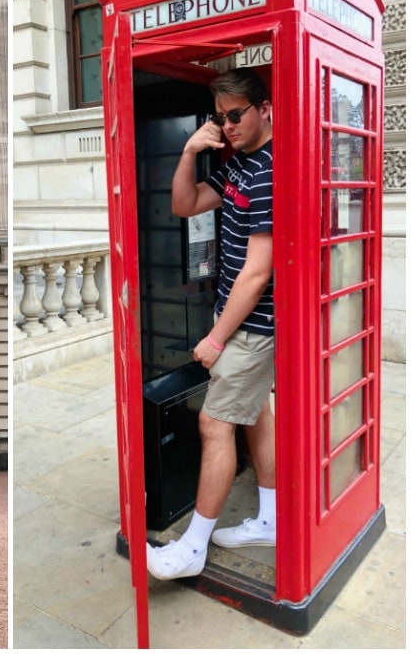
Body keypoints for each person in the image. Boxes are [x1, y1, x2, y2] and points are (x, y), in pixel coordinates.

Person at [147, 67, 276, 580]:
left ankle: (192, 547)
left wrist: (217, 338)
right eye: (221, 118)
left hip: (255, 324)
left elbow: (258, 271)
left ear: (265, 109)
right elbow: (184, 205)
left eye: (237, 115)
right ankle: (270, 516)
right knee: (257, 415)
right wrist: (187, 152)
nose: (229, 126)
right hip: (238, 319)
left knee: (214, 423)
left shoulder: (269, 171)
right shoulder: (237, 165)